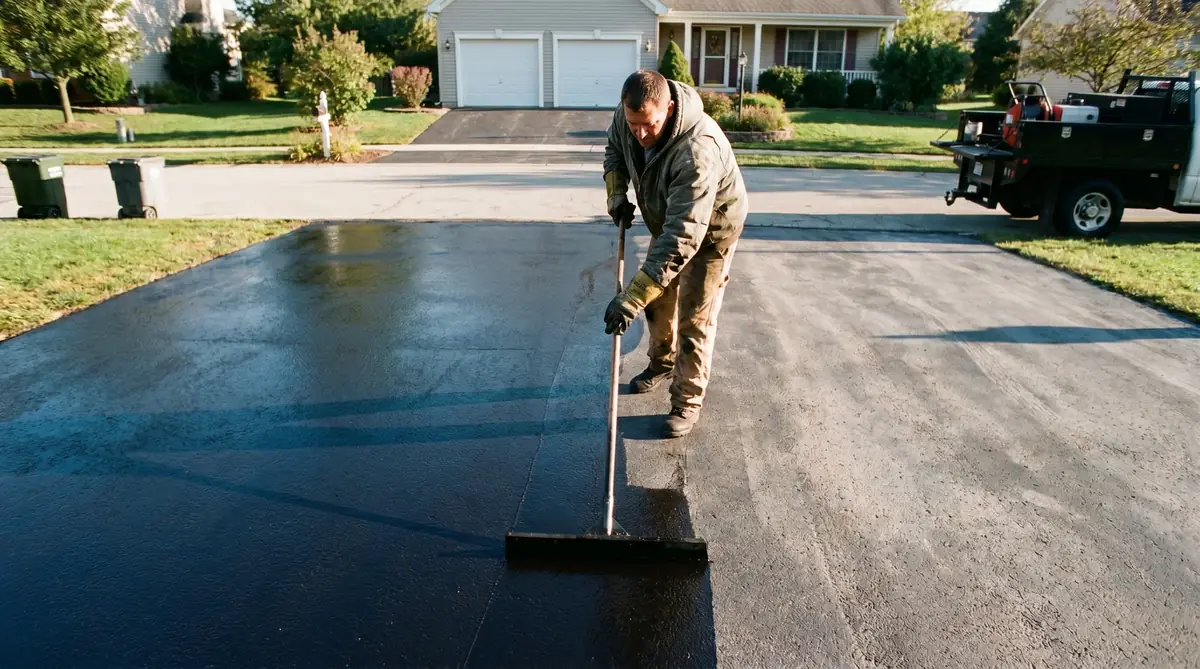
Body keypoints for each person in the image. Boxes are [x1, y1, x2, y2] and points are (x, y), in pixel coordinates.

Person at [602, 69, 748, 438]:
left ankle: (687, 401)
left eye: (648, 125)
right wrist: (616, 193)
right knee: (657, 300)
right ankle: (661, 363)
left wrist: (629, 299)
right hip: (669, 219)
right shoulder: (629, 116)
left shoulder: (697, 150)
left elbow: (684, 237)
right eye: (634, 124)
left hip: (711, 229)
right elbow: (615, 152)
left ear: (668, 107)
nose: (640, 134)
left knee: (693, 319)